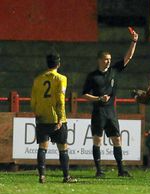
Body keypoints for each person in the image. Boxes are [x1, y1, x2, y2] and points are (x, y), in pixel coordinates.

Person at [82, 28, 138, 178]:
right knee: (97, 140)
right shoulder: (92, 76)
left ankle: (121, 170)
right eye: (106, 59)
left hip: (111, 112)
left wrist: (134, 41)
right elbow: (85, 94)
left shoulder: (114, 71)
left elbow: (128, 58)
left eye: (109, 59)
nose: (108, 61)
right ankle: (99, 170)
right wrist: (98, 99)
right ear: (99, 60)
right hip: (99, 111)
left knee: (116, 139)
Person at [31, 53, 77, 183]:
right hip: (56, 117)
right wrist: (61, 118)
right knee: (63, 147)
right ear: (59, 64)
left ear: (47, 63)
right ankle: (66, 176)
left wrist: (36, 112)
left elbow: (33, 100)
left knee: (42, 147)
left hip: (42, 117)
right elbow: (60, 99)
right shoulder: (61, 78)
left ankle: (42, 176)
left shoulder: (38, 79)